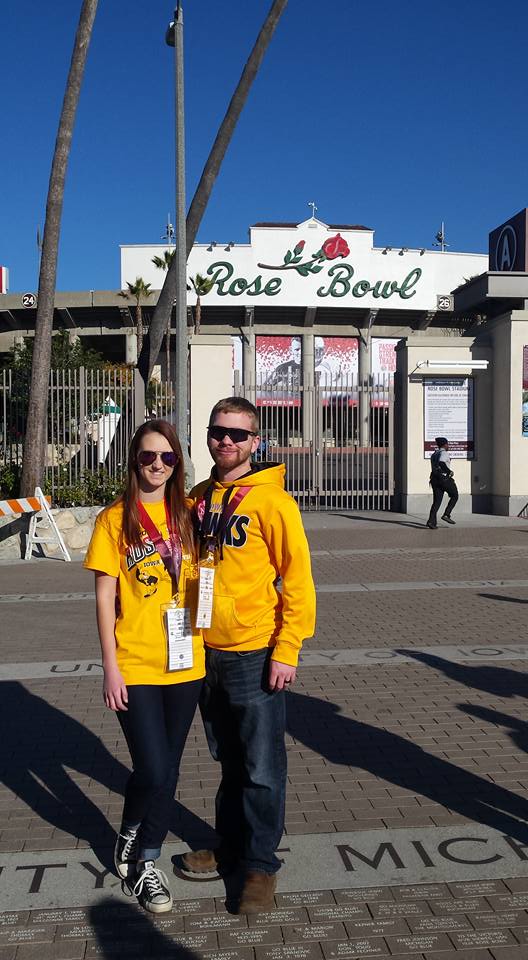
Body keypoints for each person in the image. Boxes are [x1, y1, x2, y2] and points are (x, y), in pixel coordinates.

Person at [182, 396, 316, 913]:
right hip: (204, 652)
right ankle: (231, 848)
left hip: (254, 653)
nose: (227, 442)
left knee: (262, 767)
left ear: (254, 442)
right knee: (229, 762)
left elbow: (298, 581)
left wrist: (288, 649)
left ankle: (261, 867)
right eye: (219, 432)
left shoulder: (273, 502)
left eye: (238, 435)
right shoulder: (197, 496)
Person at [84, 420, 204, 914]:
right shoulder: (115, 520)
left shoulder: (191, 515)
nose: (157, 465)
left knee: (169, 768)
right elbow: (103, 597)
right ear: (133, 461)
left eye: (167, 458)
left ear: (178, 464)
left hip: (186, 661)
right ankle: (131, 839)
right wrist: (110, 668)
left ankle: (145, 862)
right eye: (148, 457)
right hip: (135, 660)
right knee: (152, 767)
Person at [426, 436, 459, 529]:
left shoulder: (434, 454)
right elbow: (441, 463)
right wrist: (449, 471)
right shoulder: (444, 453)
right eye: (447, 444)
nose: (448, 446)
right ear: (445, 444)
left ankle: (431, 522)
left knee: (436, 502)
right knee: (455, 495)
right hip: (444, 479)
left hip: (434, 480)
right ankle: (446, 514)